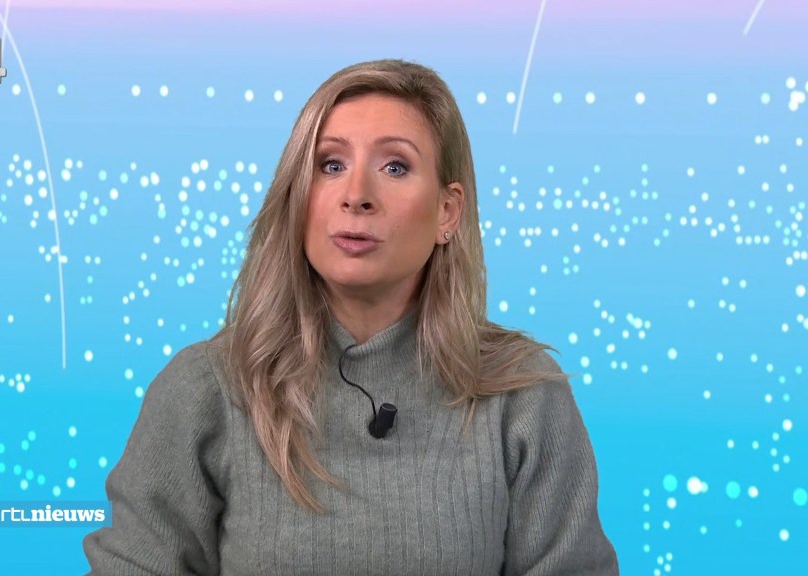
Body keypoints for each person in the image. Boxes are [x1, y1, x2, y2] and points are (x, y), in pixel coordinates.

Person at [83, 59, 618, 575]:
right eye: (331, 165)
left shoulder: (524, 397)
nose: (357, 195)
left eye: (395, 167)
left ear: (447, 212)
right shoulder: (205, 390)